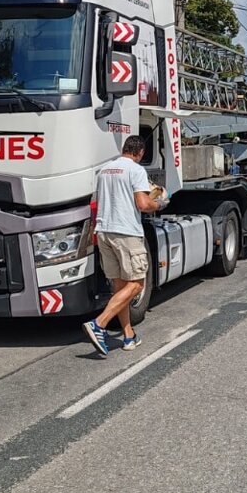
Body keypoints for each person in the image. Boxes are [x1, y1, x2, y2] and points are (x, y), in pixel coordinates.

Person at [82, 135, 168, 357]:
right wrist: (158, 203)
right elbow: (142, 204)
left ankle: (128, 335)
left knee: (120, 289)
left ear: (124, 149)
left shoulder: (105, 170)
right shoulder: (136, 170)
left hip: (105, 232)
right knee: (137, 285)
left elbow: (99, 201)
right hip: (127, 233)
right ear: (140, 153)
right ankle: (98, 324)